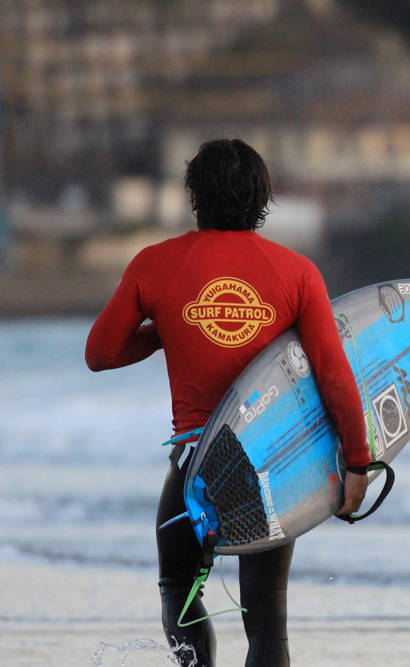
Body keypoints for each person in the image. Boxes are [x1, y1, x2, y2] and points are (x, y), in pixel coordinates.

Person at [85, 138, 371, 666]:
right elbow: (334, 377)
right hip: (266, 468)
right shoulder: (297, 272)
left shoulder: (155, 264)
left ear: (194, 195)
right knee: (266, 622)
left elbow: (100, 353)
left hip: (195, 465)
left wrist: (167, 327)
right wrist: (358, 461)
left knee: (180, 587)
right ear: (263, 196)